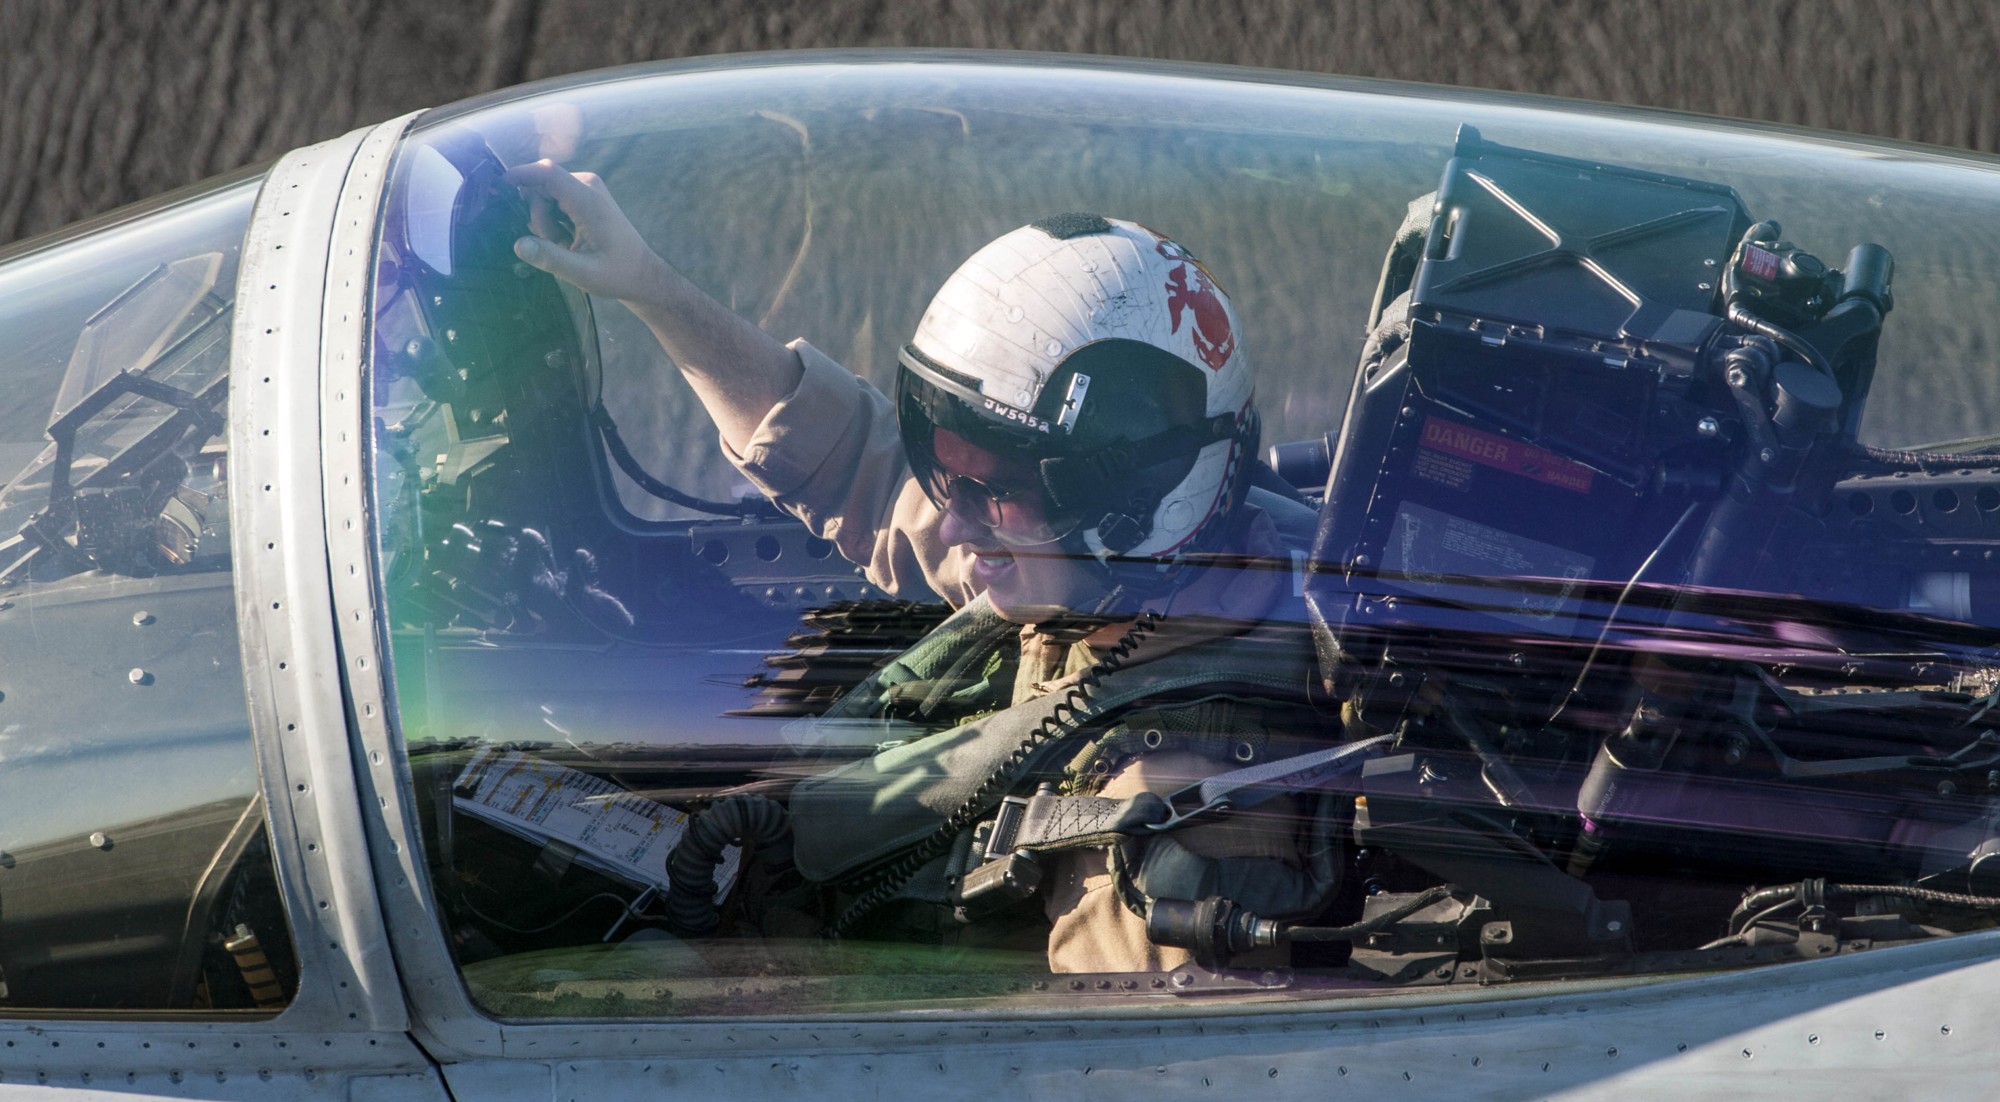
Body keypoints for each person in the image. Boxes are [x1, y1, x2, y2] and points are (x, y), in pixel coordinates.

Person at [508, 161, 1330, 973]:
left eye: (989, 488)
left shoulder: (1166, 821)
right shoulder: (1100, 578)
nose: (947, 517)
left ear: (1133, 505)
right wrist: (650, 287)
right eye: (944, 473)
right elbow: (846, 460)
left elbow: (1107, 1063)